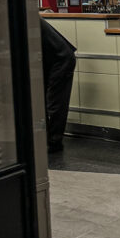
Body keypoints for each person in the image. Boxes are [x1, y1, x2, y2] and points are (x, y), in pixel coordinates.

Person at [40, 19, 76, 153]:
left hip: (61, 59)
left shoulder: (17, 15)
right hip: (48, 58)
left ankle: (54, 142)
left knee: (55, 101)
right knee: (39, 99)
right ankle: (44, 138)